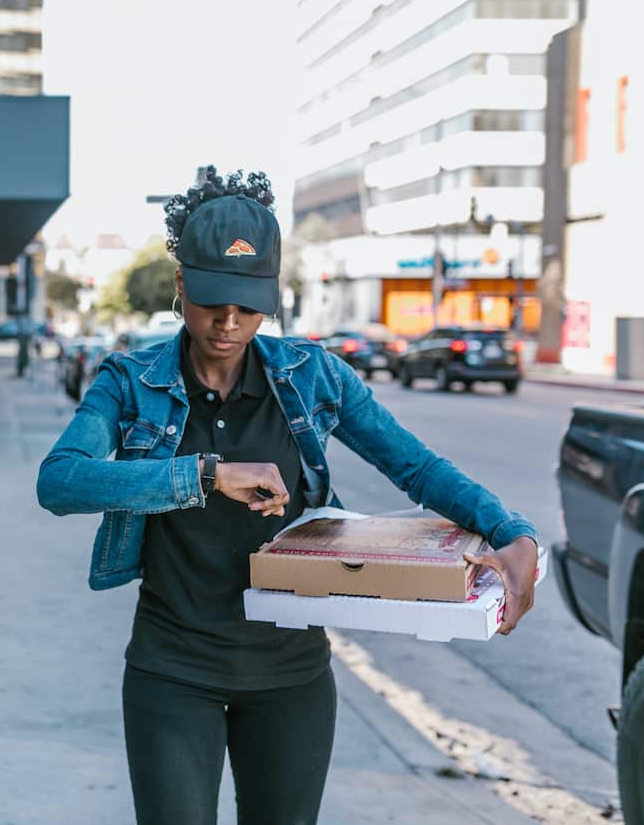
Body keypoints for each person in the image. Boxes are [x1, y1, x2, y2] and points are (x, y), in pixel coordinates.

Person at [35, 166, 539, 825]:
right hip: (172, 668)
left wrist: (510, 530)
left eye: (249, 303)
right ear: (180, 282)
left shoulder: (313, 375)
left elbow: (415, 467)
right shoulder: (130, 380)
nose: (228, 320)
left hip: (292, 678)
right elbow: (60, 479)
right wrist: (204, 473)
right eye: (212, 298)